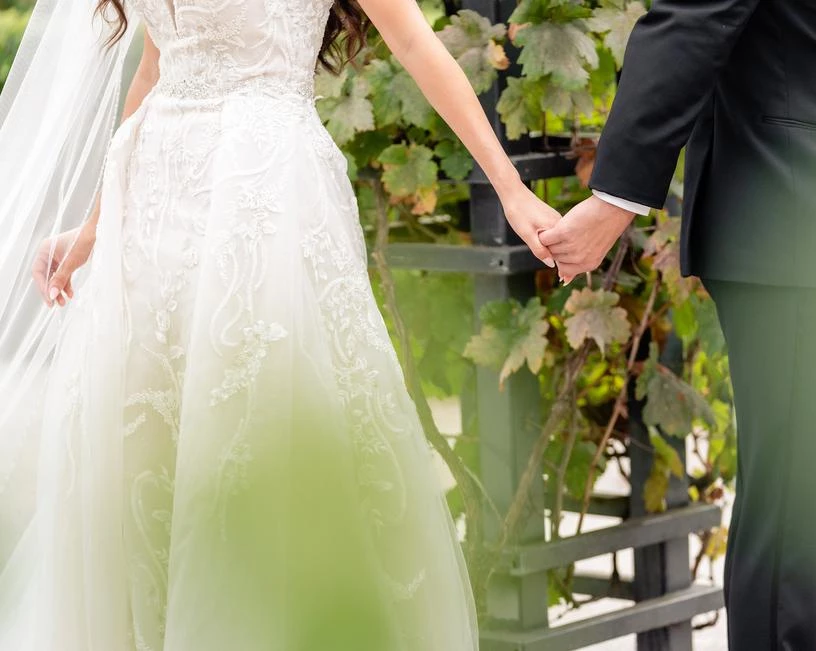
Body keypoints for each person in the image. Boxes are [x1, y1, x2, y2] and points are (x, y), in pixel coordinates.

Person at [0, 0, 561, 648]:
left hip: (263, 202)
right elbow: (157, 68)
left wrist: (511, 189)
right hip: (153, 210)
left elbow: (414, 42)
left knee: (251, 442)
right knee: (146, 460)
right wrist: (94, 227)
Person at [540, 1, 816, 649]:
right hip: (790, 221)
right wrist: (615, 201)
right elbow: (690, 18)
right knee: (791, 524)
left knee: (812, 516)